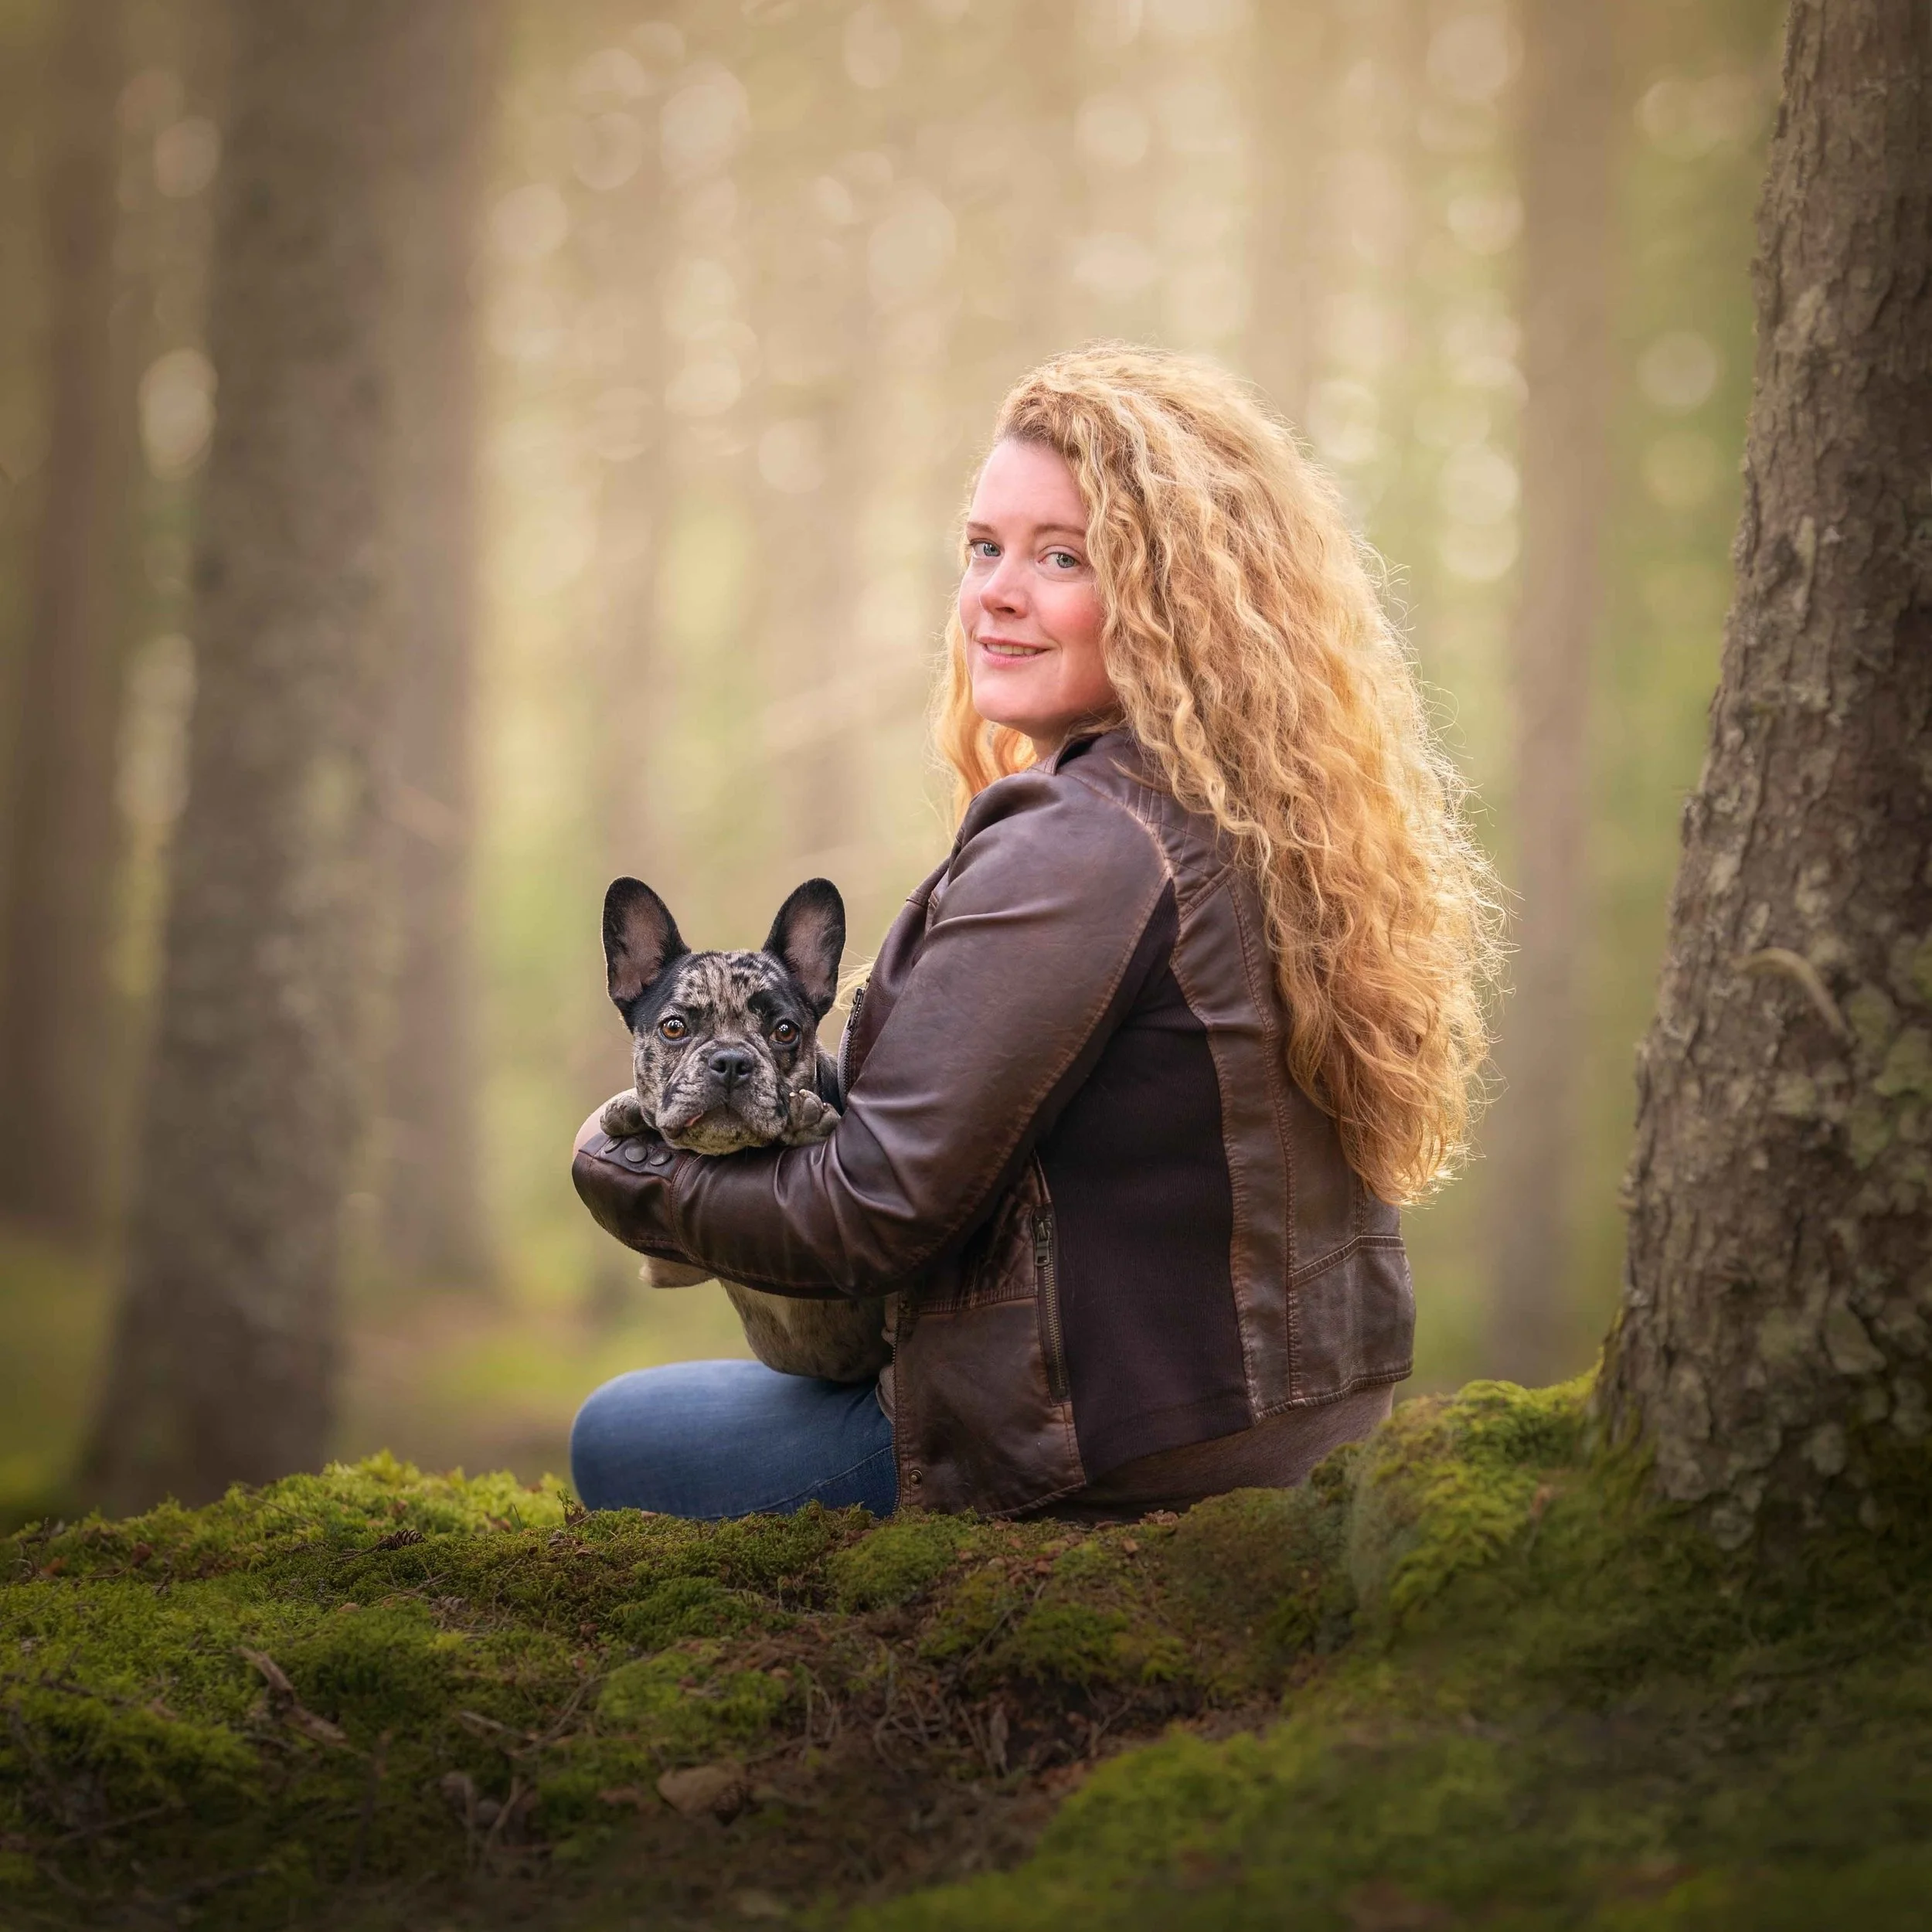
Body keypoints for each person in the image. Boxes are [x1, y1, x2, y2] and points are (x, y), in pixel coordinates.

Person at [569, 345, 1502, 1522]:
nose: (995, 594)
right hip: (1272, 1414)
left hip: (1097, 1458)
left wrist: (625, 1171)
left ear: (1179, 598)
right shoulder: (1247, 812)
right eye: (983, 547)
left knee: (621, 1431)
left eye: (1062, 557)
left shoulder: (1086, 843)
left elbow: (868, 1214)